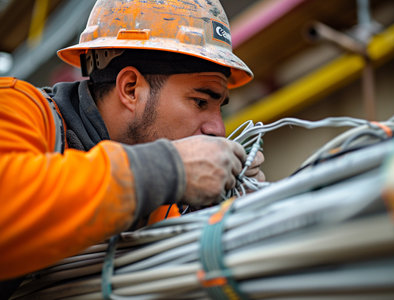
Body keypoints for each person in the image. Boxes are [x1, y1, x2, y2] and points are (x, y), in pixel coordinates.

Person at [0, 0, 264, 282]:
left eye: (219, 107)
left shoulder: (160, 206)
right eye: (200, 101)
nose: (218, 130)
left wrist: (233, 212)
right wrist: (168, 169)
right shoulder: (15, 107)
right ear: (130, 89)